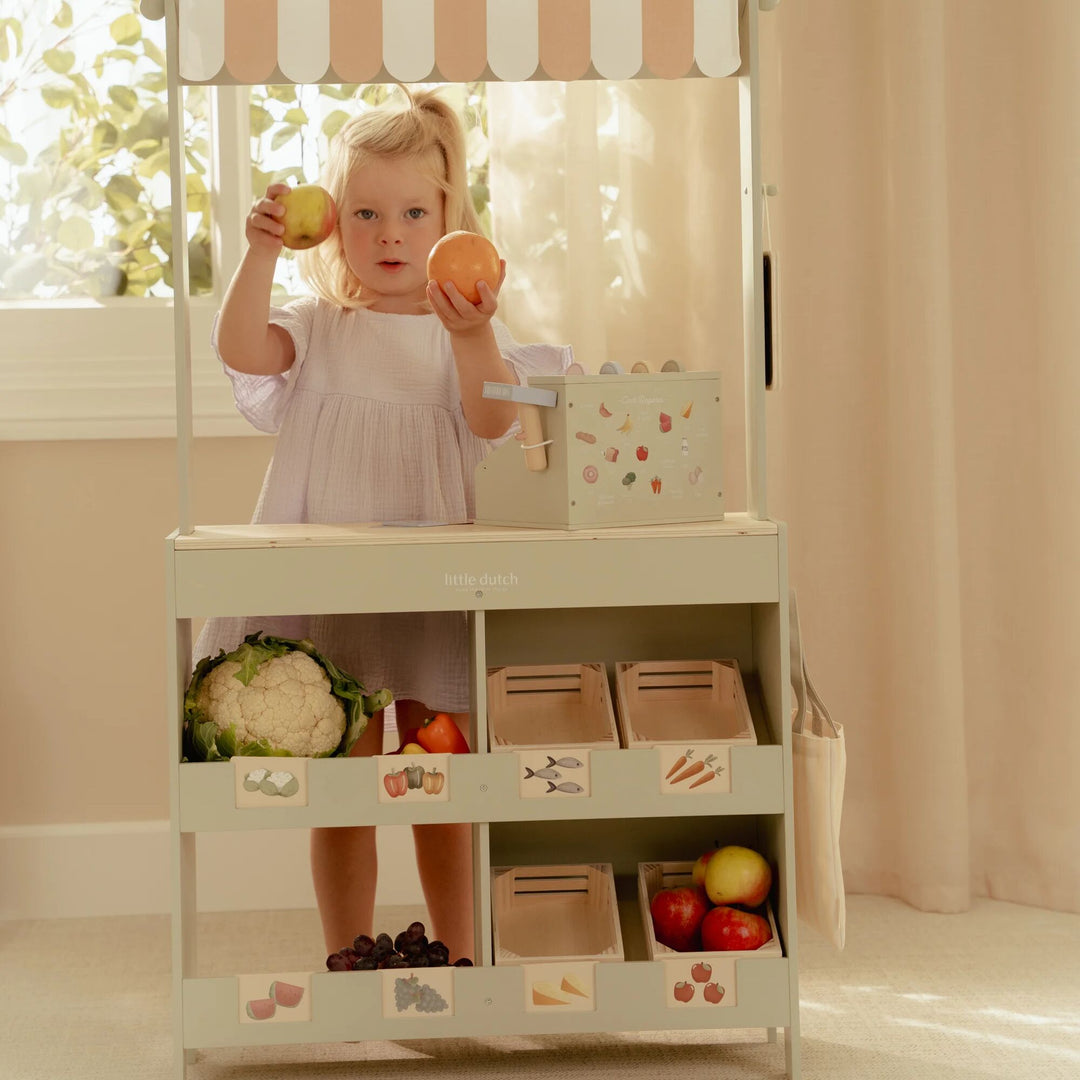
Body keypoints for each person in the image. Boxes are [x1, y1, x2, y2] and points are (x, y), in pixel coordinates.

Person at [193, 86, 573, 963]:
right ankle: (350, 955)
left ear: (448, 218)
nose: (390, 234)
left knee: (446, 784)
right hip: (337, 596)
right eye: (364, 212)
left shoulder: (467, 328)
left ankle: (459, 951)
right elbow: (242, 351)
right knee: (346, 791)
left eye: (412, 212)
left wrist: (474, 336)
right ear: (331, 226)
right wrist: (256, 256)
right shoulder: (322, 327)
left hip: (438, 586)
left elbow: (491, 423)